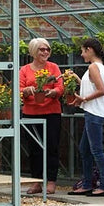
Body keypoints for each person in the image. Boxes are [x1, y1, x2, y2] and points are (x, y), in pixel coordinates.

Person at [68, 37, 104, 196]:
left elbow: (102, 90)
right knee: (85, 149)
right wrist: (76, 79)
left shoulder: (94, 67)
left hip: (94, 114)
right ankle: (87, 183)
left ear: (90, 50)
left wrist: (84, 99)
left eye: (82, 50)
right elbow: (90, 86)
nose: (81, 54)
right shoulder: (96, 67)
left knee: (96, 150)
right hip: (92, 112)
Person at [19, 38, 63, 195]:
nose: (45, 52)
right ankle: (37, 181)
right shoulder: (24, 70)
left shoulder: (53, 68)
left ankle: (51, 181)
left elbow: (60, 87)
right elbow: (19, 88)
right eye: (41, 49)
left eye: (47, 49)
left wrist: (54, 93)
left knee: (52, 146)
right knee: (34, 149)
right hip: (31, 113)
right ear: (33, 52)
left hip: (51, 112)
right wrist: (25, 91)